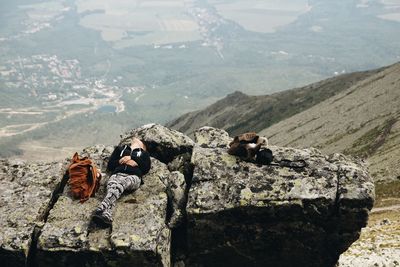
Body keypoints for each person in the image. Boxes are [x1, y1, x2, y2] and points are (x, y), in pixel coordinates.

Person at [92, 137, 151, 227]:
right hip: (117, 174)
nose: (135, 138)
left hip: (133, 176)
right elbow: (110, 165)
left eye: (139, 139)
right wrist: (121, 161)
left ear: (142, 145)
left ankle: (101, 207)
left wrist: (133, 159)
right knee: (112, 187)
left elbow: (146, 168)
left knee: (121, 184)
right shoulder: (120, 149)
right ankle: (106, 216)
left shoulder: (144, 154)